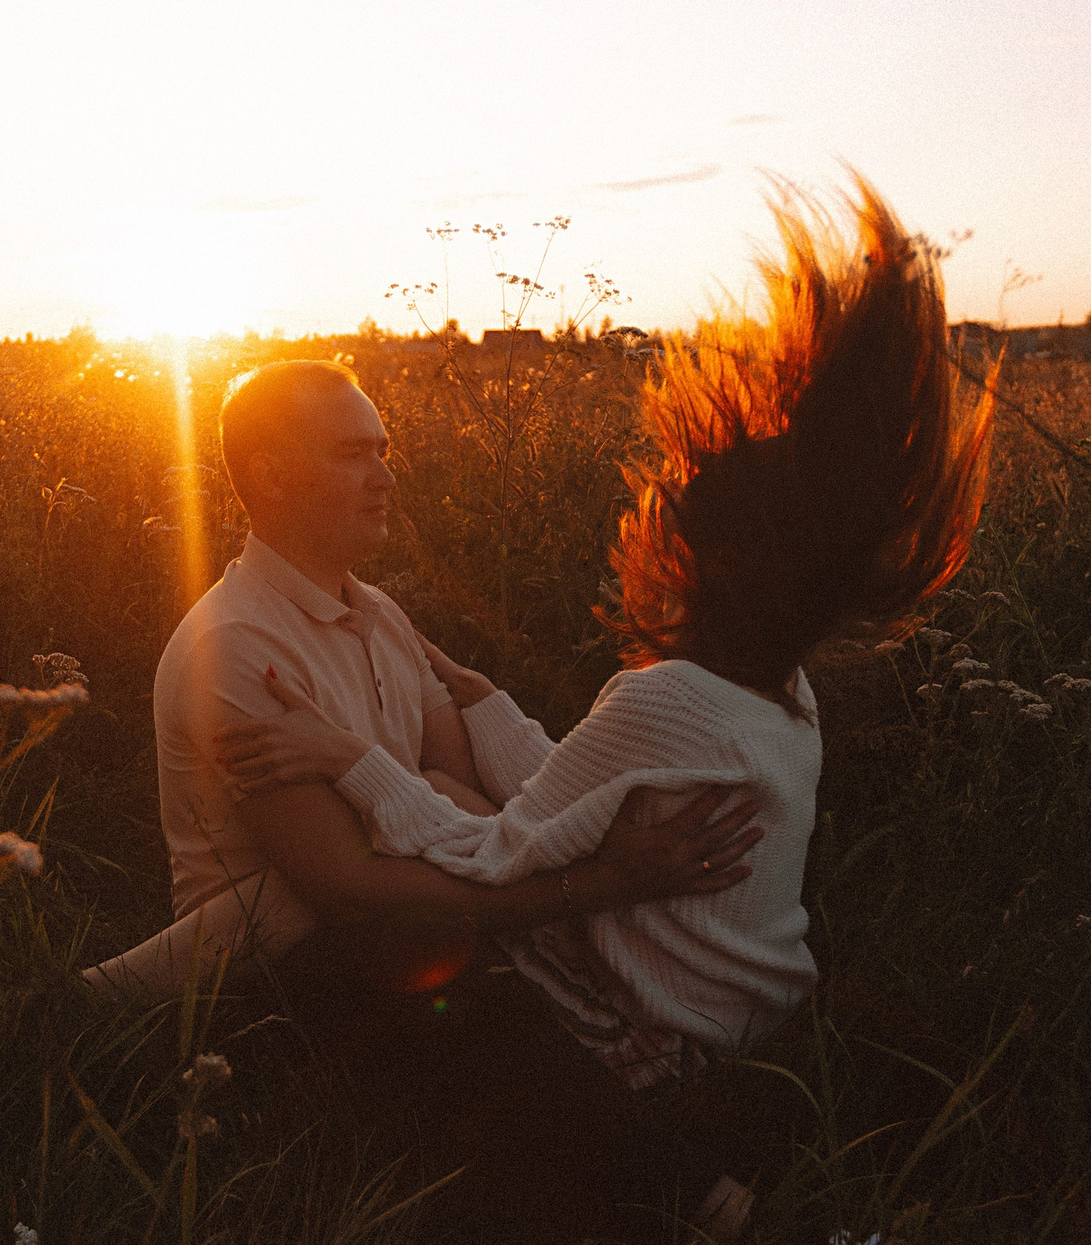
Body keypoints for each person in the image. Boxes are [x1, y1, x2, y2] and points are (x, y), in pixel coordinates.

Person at [211, 179, 993, 1243]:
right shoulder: (782, 698)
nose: (663, 499)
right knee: (448, 795)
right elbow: (569, 790)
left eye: (678, 498)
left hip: (661, 1031)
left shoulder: (664, 699)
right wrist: (459, 679)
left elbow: (497, 854)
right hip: (758, 1009)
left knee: (373, 970)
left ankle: (686, 1217)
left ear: (715, 559)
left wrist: (347, 754)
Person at [78, 358, 761, 1010]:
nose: (385, 477)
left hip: (420, 915)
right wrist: (593, 885)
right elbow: (343, 886)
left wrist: (577, 855)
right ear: (271, 475)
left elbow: (459, 788)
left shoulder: (381, 614)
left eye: (382, 450)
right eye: (353, 455)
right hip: (281, 972)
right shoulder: (232, 648)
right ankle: (71, 1009)